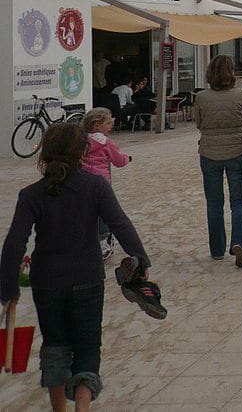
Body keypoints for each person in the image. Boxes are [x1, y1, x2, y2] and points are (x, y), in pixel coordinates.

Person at [1, 122, 152, 410]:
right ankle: (82, 407)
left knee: (55, 346)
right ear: (83, 151)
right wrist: (141, 261)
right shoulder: (96, 186)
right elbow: (120, 223)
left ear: (45, 153)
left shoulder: (31, 194)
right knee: (86, 347)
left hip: (46, 282)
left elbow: (14, 243)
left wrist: (8, 287)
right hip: (87, 278)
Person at [192, 54, 242, 268]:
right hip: (237, 150)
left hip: (209, 153)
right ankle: (239, 242)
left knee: (214, 202)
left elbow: (198, 122)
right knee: (239, 201)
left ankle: (217, 249)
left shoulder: (201, 97)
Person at [80, 109, 131, 260]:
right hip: (102, 183)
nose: (111, 125)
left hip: (83, 181)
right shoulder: (106, 143)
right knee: (104, 213)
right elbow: (119, 161)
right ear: (97, 125)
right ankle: (104, 240)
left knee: (87, 211)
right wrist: (127, 158)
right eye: (108, 123)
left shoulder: (81, 141)